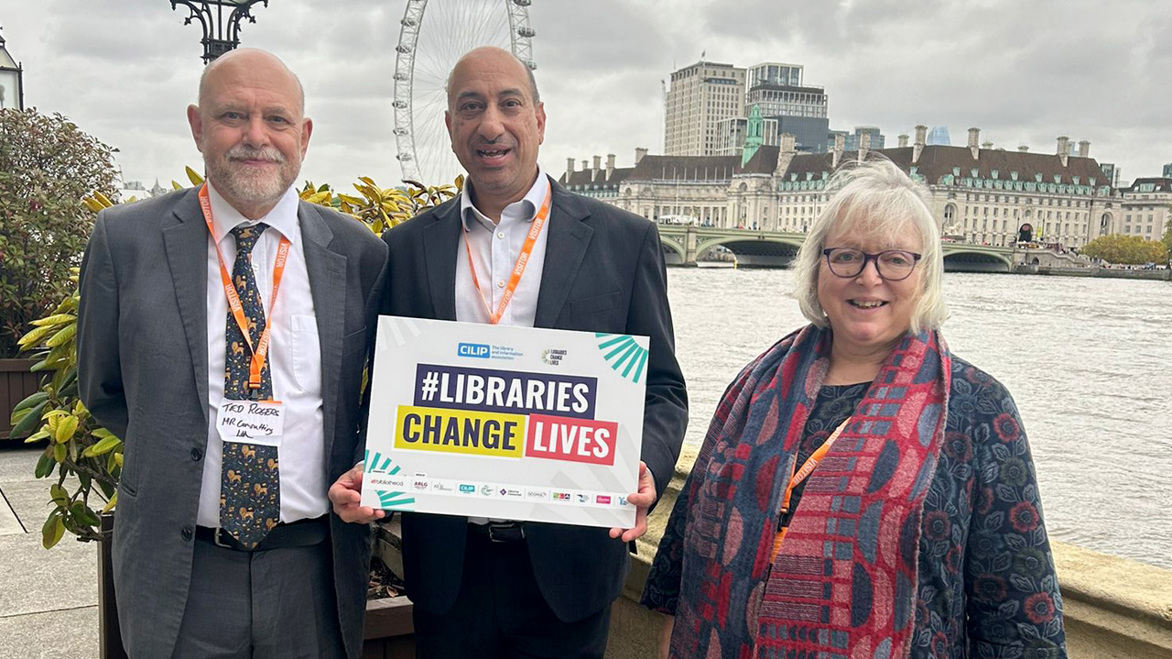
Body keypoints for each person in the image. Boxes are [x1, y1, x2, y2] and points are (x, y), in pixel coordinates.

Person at [329, 46, 688, 658]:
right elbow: (382, 386)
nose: (490, 124)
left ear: (540, 120)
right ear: (449, 128)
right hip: (449, 567)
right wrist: (369, 464)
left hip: (570, 566)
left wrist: (646, 465)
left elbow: (662, 388)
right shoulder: (405, 249)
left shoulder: (626, 242)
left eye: (508, 104)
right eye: (471, 107)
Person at [641, 158, 1067, 658]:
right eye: (846, 256)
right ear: (817, 268)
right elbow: (681, 560)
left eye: (895, 259)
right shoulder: (755, 387)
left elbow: (1017, 612)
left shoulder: (977, 408)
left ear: (925, 275)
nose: (868, 278)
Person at [77, 49, 387, 658]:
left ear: (303, 136)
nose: (255, 137)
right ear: (197, 126)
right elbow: (104, 389)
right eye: (231, 116)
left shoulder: (359, 253)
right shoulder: (125, 241)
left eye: (276, 119)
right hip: (180, 570)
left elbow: (374, 397)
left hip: (313, 572)